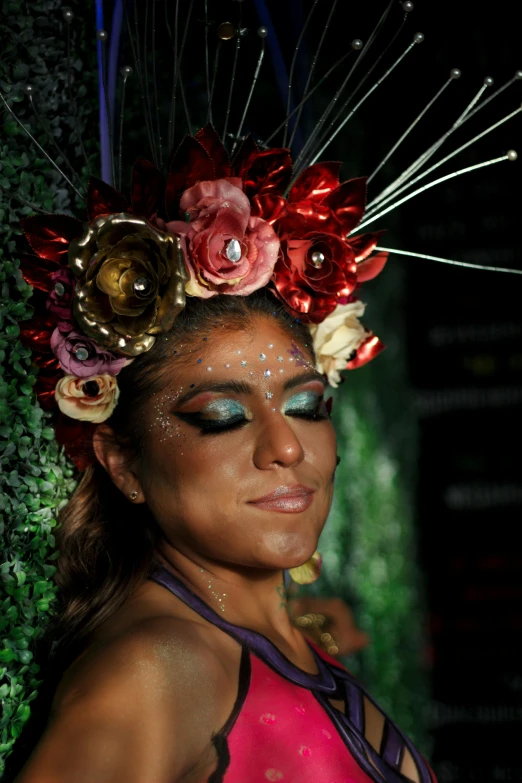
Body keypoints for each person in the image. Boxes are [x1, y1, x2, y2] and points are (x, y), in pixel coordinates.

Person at [11, 276, 435, 782]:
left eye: (306, 407)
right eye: (223, 417)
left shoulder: (286, 648)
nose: (288, 447)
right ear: (124, 463)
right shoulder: (159, 671)